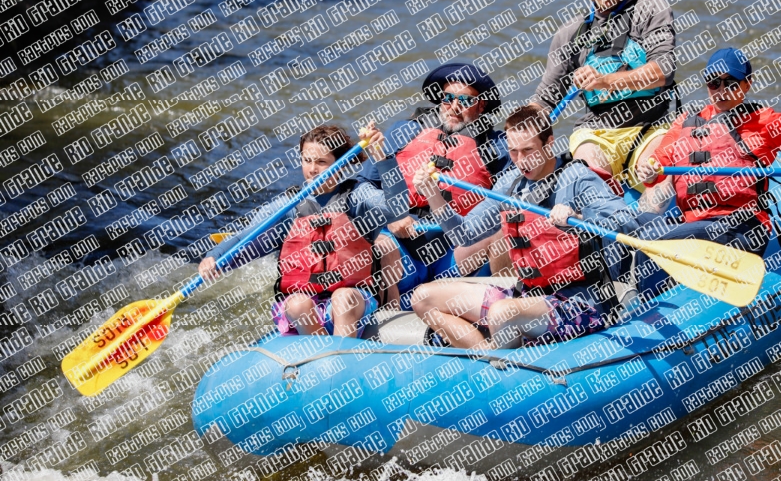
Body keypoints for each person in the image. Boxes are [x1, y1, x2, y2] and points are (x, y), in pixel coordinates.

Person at [408, 104, 639, 350]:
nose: (521, 161)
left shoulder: (578, 178)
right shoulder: (510, 183)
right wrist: (433, 195)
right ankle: (490, 358)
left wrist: (580, 216)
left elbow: (627, 222)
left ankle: (503, 361)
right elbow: (463, 235)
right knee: (423, 298)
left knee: (501, 313)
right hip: (527, 296)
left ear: (549, 144)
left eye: (529, 150)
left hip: (580, 303)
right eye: (514, 151)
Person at [631, 48, 781, 294]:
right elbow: (659, 162)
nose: (721, 90)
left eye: (731, 83)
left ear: (747, 85)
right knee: (630, 230)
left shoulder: (764, 121)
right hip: (693, 221)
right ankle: (638, 306)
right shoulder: (685, 122)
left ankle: (658, 306)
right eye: (714, 82)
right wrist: (649, 170)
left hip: (741, 227)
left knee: (653, 241)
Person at [198, 124, 406, 337]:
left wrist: (380, 156)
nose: (312, 169)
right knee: (298, 303)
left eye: (321, 162)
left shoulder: (358, 197)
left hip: (352, 303)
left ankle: (341, 356)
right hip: (305, 308)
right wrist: (216, 257)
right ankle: (320, 353)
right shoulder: (289, 206)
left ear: (341, 164)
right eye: (307, 160)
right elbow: (248, 237)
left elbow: (398, 206)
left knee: (342, 299)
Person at [531, 0, 677, 189]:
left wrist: (606, 81)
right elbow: (545, 100)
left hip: (651, 127)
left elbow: (663, 71)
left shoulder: (650, 9)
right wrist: (518, 131)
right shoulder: (570, 33)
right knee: (588, 180)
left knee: (656, 183)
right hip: (596, 133)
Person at [358, 63, 512, 296]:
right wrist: (390, 216)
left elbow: (519, 191)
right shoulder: (404, 131)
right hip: (403, 247)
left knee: (503, 232)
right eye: (448, 98)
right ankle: (384, 310)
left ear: (482, 105)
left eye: (466, 101)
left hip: (457, 251)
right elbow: (362, 185)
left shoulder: (498, 146)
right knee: (378, 245)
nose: (455, 107)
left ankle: (502, 307)